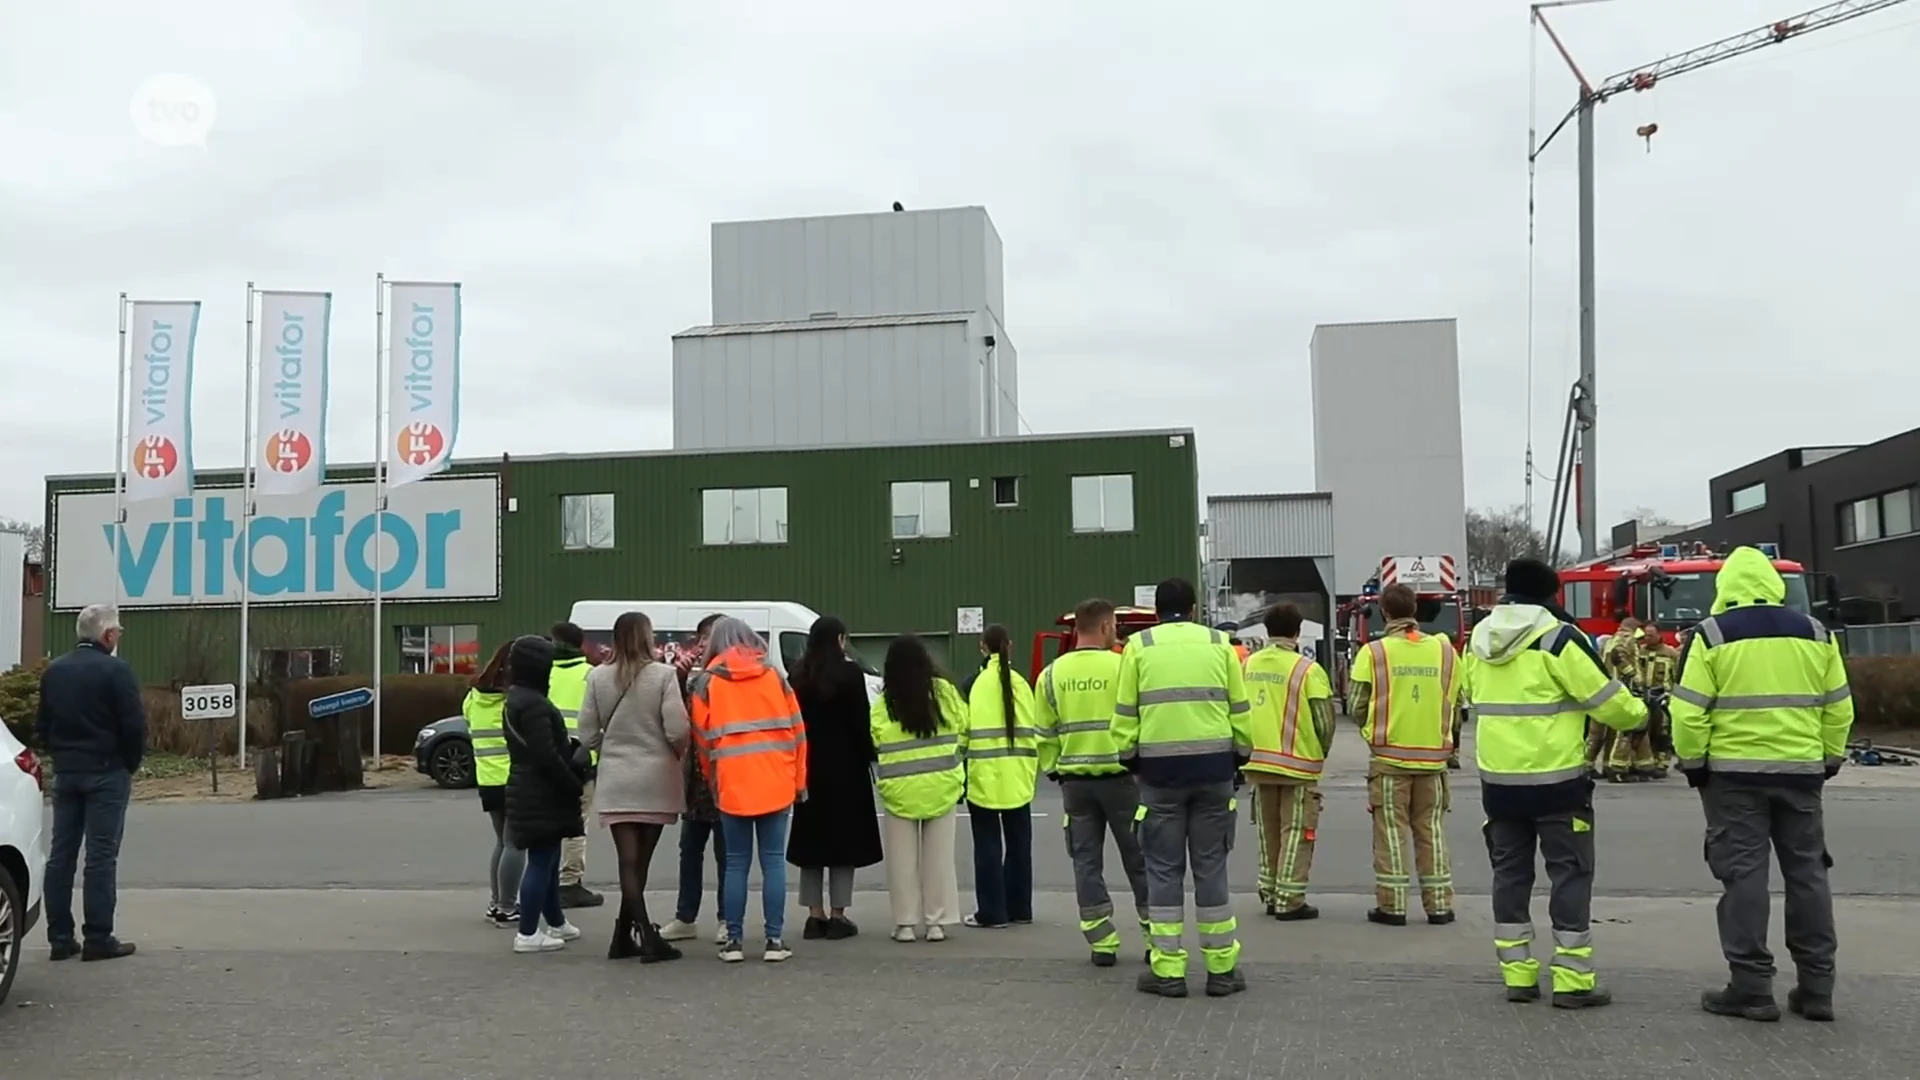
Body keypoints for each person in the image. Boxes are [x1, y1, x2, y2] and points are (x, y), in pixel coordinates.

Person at [1669, 546, 1854, 1023]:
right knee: (1808, 874)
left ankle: (1751, 989)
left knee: (1743, 876)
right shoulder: (1817, 634)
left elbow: (1688, 711)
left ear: (1725, 588)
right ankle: (1817, 989)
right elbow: (1839, 708)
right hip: (1802, 772)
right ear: (1774, 585)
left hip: (1733, 778)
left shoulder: (1711, 635)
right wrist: (1828, 758)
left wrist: (1694, 765)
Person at [1464, 558, 1646, 1007]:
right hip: (1558, 784)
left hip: (1500, 784)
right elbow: (1605, 700)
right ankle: (1571, 981)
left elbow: (1470, 695)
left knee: (1509, 875)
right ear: (1552, 595)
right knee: (1570, 874)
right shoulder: (1559, 638)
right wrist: (1644, 713)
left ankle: (1518, 976)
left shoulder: (1478, 640)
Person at [1114, 577, 1251, 999]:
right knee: (1211, 867)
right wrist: (1238, 756)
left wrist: (1130, 759)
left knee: (1162, 870)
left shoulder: (1139, 647)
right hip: (1213, 772)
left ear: (1156, 611)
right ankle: (1221, 969)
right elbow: (1239, 709)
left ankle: (1169, 972)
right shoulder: (1218, 644)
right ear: (1194, 609)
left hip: (1159, 776)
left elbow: (1124, 716)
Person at [1035, 598, 1151, 966]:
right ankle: (1155, 937)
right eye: (1114, 625)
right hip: (1123, 780)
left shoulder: (1051, 674)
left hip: (1075, 784)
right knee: (1141, 859)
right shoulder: (1124, 666)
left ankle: (1101, 942)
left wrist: (1055, 768)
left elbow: (1044, 733)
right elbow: (1140, 719)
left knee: (1086, 862)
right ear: (1104, 627)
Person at [689, 617, 807, 963]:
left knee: (736, 864)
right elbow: (798, 734)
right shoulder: (775, 678)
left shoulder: (706, 683)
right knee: (773, 862)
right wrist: (799, 782)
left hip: (733, 782)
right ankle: (774, 941)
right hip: (776, 780)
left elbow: (702, 742)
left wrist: (715, 783)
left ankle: (734, 942)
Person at [1346, 583, 1462, 927]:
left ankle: (1393, 906)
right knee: (1432, 831)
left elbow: (1356, 705)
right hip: (1434, 761)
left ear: (1384, 612)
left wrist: (1372, 731)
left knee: (1391, 833)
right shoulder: (1445, 653)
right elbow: (1455, 706)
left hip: (1389, 760)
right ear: (1417, 611)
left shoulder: (1374, 652)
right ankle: (1439, 906)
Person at [578, 611, 690, 962]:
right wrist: (671, 753)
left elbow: (586, 733)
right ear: (646, 636)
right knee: (642, 860)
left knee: (628, 860)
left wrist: (608, 749)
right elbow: (678, 728)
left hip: (616, 777)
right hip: (656, 776)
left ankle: (623, 937)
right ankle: (645, 935)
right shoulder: (663, 676)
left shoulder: (597, 677)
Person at [37, 603, 143, 962]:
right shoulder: (116, 671)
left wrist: (60, 755)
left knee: (61, 854)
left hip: (66, 771)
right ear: (108, 635)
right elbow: (133, 726)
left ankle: (60, 937)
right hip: (106, 770)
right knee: (100, 855)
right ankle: (98, 936)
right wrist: (128, 763)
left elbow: (43, 724)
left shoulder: (54, 672)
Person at [786, 616, 883, 941]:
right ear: (839, 639)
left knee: (810, 844)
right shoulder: (850, 674)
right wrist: (869, 753)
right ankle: (839, 914)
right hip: (846, 771)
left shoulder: (797, 674)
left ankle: (814, 915)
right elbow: (860, 723)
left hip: (808, 769)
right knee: (844, 844)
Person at [871, 633, 969, 943]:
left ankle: (905, 924)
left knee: (902, 862)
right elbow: (964, 728)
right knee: (939, 859)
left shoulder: (884, 701)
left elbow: (876, 738)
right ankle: (936, 922)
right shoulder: (946, 693)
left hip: (899, 789)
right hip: (941, 784)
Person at [1241, 602, 1335, 921]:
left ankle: (1269, 892)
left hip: (1257, 762)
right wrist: (1320, 752)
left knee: (1268, 830)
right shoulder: (1307, 669)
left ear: (1266, 631)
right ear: (1297, 632)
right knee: (1295, 830)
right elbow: (1324, 721)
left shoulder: (1248, 665)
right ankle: (1290, 899)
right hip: (1297, 764)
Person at [502, 634, 588, 954]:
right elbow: (546, 755)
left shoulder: (517, 697)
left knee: (549, 859)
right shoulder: (534, 703)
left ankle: (556, 922)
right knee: (541, 861)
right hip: (541, 790)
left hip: (527, 786)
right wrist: (574, 776)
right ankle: (527, 933)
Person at [962, 624, 1040, 929]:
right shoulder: (1022, 684)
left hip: (982, 775)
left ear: (983, 647)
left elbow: (963, 730)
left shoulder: (974, 684)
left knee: (987, 844)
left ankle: (992, 912)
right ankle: (1021, 907)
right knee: (1020, 842)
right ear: (1010, 646)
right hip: (1018, 775)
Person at [659, 613, 729, 945]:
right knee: (690, 849)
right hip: (696, 781)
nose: (703, 644)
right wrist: (678, 675)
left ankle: (727, 918)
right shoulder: (690, 679)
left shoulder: (731, 675)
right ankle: (685, 916)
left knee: (728, 854)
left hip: (725, 779)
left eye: (710, 637)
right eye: (701, 637)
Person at [466, 640, 524, 929]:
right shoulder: (511, 701)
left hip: (487, 779)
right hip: (513, 778)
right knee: (516, 844)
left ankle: (496, 901)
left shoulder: (473, 698)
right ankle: (507, 907)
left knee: (502, 842)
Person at [548, 620, 602, 909]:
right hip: (581, 761)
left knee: (547, 823)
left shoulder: (543, 674)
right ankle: (570, 883)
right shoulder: (590, 675)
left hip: (547, 760)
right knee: (576, 824)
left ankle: (545, 879)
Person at [1600, 620, 1651, 783]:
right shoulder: (1626, 639)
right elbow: (1620, 656)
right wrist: (1634, 678)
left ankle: (1624, 765)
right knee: (1629, 728)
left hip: (1612, 688)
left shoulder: (1611, 639)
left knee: (1614, 731)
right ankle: (1618, 768)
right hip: (1626, 689)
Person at [1636, 623, 1680, 778]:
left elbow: (1678, 676)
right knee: (1645, 731)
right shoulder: (1640, 651)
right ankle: (1648, 761)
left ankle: (1662, 763)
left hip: (1662, 697)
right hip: (1643, 696)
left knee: (1662, 731)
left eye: (1651, 635)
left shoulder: (1670, 653)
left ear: (1659, 634)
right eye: (1645, 635)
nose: (1647, 638)